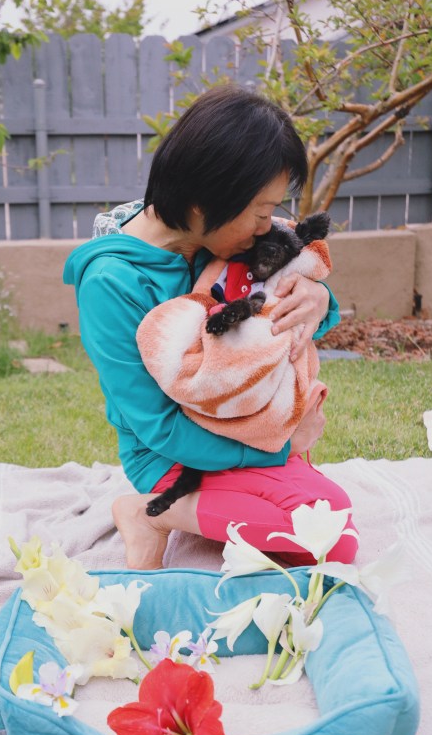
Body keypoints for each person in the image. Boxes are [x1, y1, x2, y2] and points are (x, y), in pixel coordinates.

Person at [63, 85, 358, 570]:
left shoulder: (222, 240)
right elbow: (158, 426)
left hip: (244, 434)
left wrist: (318, 298)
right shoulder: (112, 284)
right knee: (332, 540)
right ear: (206, 199)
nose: (267, 228)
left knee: (327, 525)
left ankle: (234, 498)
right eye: (261, 212)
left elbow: (295, 313)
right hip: (172, 459)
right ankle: (150, 514)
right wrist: (280, 447)